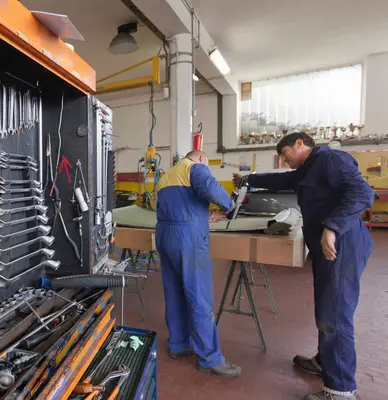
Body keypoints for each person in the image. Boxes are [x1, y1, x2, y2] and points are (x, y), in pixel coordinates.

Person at [233, 132, 374, 400]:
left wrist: (332, 228)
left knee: (335, 315)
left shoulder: (331, 159)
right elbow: (280, 179)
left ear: (300, 144)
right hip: (328, 249)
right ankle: (325, 362)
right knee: (326, 307)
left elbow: (361, 193)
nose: (284, 160)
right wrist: (249, 179)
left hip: (341, 247)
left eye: (285, 154)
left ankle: (341, 389)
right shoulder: (307, 168)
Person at [155, 150, 241, 377]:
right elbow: (210, 187)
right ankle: (210, 358)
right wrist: (229, 204)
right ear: (201, 158)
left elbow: (179, 207)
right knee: (199, 296)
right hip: (188, 238)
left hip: (165, 234)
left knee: (173, 291)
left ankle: (178, 344)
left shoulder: (166, 176)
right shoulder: (195, 168)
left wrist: (208, 216)